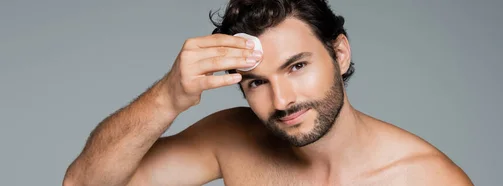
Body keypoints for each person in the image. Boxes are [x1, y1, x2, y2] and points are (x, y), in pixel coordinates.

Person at [63, 0, 473, 185]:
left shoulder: (426, 178)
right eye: (257, 82)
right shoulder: (232, 138)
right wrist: (168, 97)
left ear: (340, 53)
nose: (282, 101)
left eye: (297, 66)